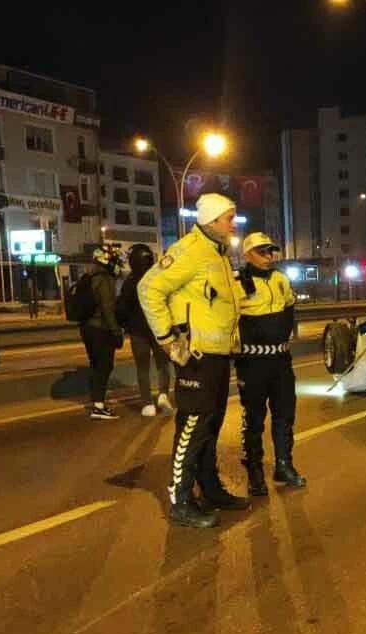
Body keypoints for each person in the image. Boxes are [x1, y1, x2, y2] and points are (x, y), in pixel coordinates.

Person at [139, 193, 250, 528]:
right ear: (212, 220)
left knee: (210, 424)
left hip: (216, 356)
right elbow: (149, 288)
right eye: (229, 218)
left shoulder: (216, 253)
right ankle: (181, 498)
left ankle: (210, 488)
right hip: (195, 356)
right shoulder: (190, 250)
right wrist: (168, 340)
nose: (234, 223)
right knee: (193, 424)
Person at [235, 232, 307, 496]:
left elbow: (289, 306)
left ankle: (284, 464)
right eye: (262, 252)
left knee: (285, 414)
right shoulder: (236, 283)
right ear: (248, 254)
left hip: (280, 360)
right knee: (254, 418)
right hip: (252, 362)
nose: (268, 256)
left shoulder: (280, 279)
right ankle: (254, 470)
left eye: (270, 251)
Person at [118, 243, 174, 417]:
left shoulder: (130, 282)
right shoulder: (158, 279)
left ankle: (148, 404)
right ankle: (163, 393)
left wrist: (125, 325)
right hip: (159, 330)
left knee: (142, 368)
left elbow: (122, 309)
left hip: (138, 332)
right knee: (163, 364)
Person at [80, 244, 126, 420]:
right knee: (104, 366)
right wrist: (116, 331)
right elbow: (107, 308)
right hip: (101, 328)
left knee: (95, 364)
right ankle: (98, 406)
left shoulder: (89, 275)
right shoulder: (105, 279)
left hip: (87, 328)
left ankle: (96, 401)